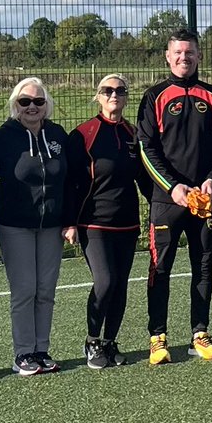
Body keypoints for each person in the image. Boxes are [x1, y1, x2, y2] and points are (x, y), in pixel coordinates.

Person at [137, 28, 212, 362]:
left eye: (189, 52)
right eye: (177, 52)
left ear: (199, 55)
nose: (184, 57)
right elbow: (146, 149)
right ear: (168, 56)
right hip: (167, 201)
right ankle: (158, 337)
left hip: (204, 199)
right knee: (159, 267)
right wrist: (172, 187)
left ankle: (200, 334)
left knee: (203, 265)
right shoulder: (154, 96)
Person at [0, 77, 70, 375]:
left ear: (46, 105)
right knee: (24, 290)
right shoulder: (3, 136)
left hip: (52, 225)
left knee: (46, 290)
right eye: (25, 102)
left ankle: (41, 350)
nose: (31, 107)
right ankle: (23, 353)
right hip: (15, 225)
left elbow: (70, 180)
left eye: (38, 101)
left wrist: (70, 220)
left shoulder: (58, 134)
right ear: (14, 105)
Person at [64, 74, 143, 370]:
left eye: (120, 91)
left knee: (120, 285)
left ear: (126, 97)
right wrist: (69, 222)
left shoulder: (133, 133)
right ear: (97, 96)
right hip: (93, 223)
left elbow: (144, 179)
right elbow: (70, 182)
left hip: (127, 223)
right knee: (105, 281)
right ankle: (92, 340)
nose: (114, 95)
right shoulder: (84, 134)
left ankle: (110, 342)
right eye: (108, 91)